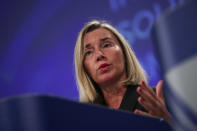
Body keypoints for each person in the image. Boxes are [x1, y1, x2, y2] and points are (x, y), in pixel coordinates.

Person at [74, 20, 171, 122]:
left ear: (124, 54)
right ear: (85, 69)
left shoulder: (157, 101)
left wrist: (168, 123)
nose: (99, 55)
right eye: (89, 52)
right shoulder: (86, 119)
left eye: (106, 45)